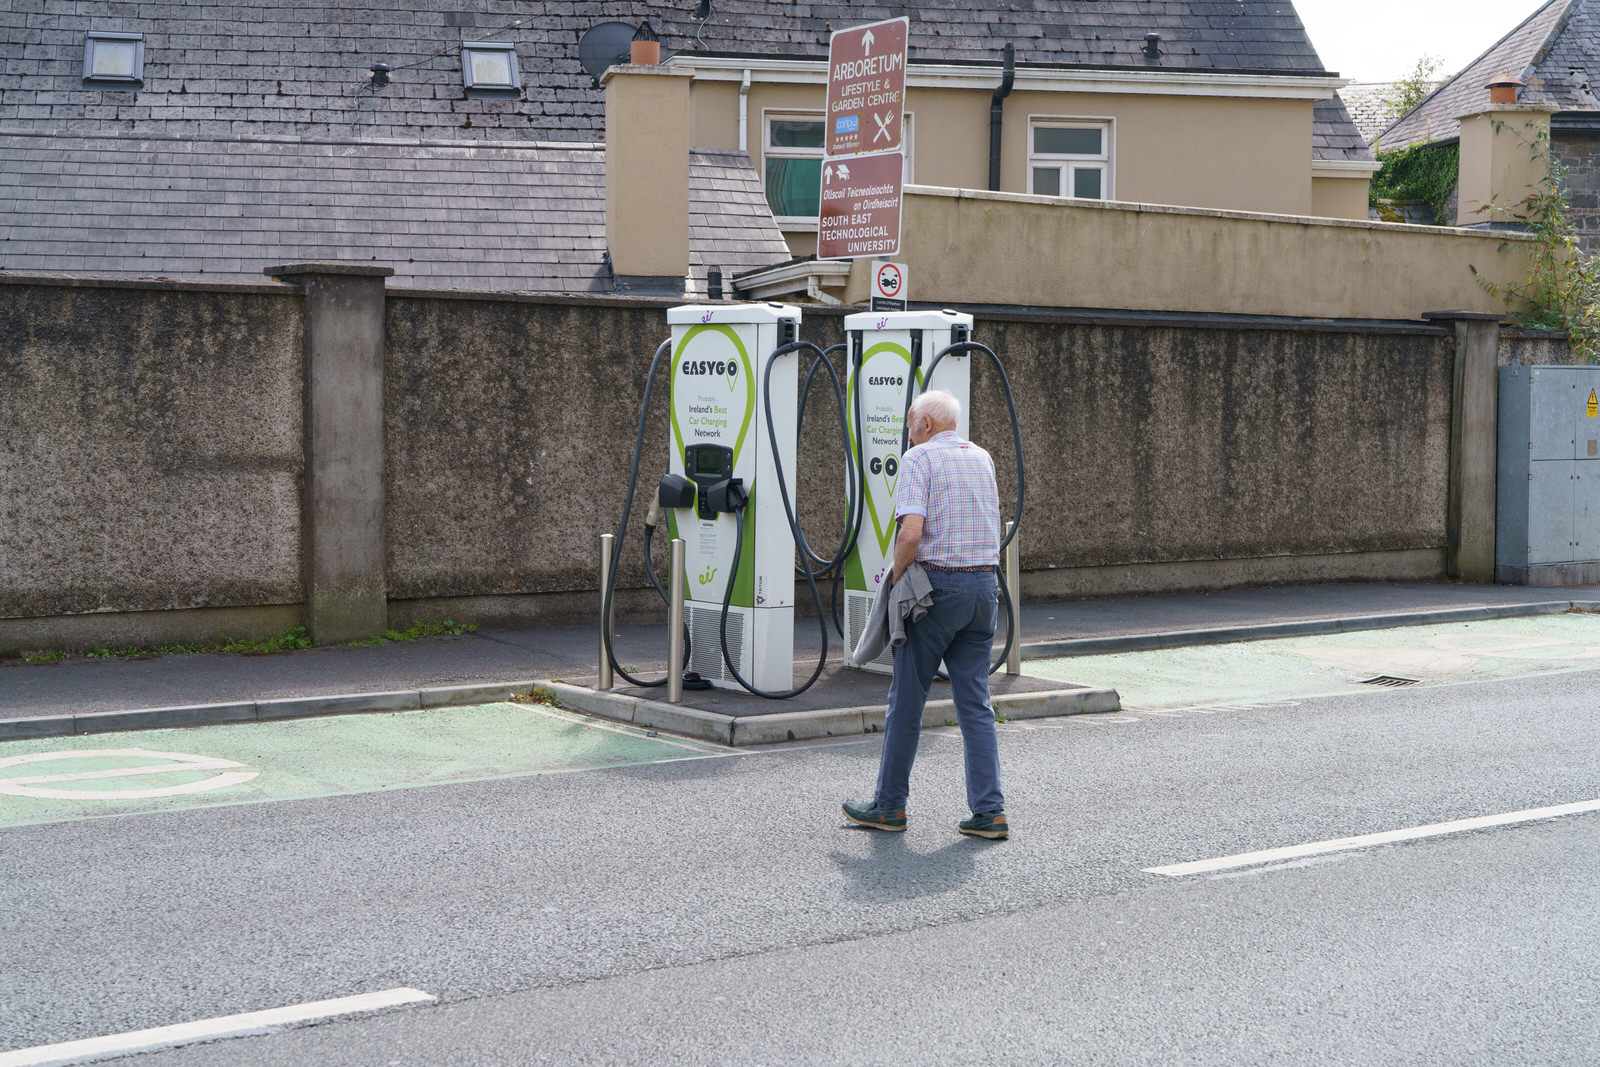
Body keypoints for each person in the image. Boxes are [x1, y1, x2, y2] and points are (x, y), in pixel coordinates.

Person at [843, 389, 1009, 840]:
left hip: (937, 590)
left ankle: (889, 806)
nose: (908, 430)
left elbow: (911, 534)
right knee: (975, 702)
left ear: (926, 425)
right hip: (983, 588)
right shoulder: (982, 457)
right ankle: (990, 811)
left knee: (907, 699)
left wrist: (895, 578)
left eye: (911, 422)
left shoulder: (918, 460)